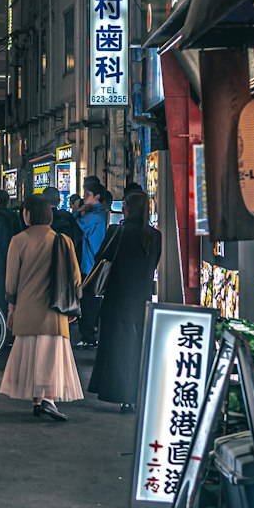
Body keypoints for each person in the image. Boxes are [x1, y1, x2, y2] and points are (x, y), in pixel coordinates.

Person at [0, 195, 83, 421]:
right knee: (51, 356)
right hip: (54, 310)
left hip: (27, 308)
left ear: (28, 213)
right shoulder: (62, 240)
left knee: (32, 355)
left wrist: (11, 308)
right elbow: (75, 278)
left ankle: (38, 401)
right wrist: (74, 304)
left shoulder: (18, 240)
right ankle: (49, 400)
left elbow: (11, 281)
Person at [88, 191, 163, 412]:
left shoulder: (118, 232)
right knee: (138, 349)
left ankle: (123, 397)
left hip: (117, 300)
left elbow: (101, 257)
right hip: (142, 302)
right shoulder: (154, 236)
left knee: (118, 349)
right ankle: (139, 395)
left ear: (126, 209)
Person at [77, 177, 108, 348]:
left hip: (89, 265)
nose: (84, 197)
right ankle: (90, 334)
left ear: (96, 196)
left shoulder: (94, 217)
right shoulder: (101, 214)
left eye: (86, 194)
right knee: (91, 300)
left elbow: (76, 226)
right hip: (95, 263)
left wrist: (78, 211)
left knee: (87, 302)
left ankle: (88, 337)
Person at [40, 185, 83, 263]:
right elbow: (78, 240)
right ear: (59, 201)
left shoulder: (39, 218)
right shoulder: (67, 216)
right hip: (66, 263)